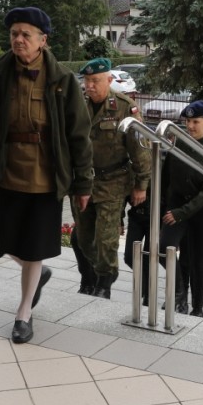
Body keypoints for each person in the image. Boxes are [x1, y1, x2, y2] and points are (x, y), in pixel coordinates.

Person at [0, 7, 93, 343]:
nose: (19, 40)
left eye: (26, 34)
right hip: (9, 171)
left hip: (45, 176)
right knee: (8, 243)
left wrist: (83, 183)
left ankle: (24, 313)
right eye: (14, 34)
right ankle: (37, 273)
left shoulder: (62, 80)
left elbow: (79, 136)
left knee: (34, 247)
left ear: (43, 40)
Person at [74, 58, 151, 298]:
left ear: (109, 80)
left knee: (106, 238)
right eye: (87, 80)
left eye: (95, 80)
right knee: (84, 238)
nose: (90, 85)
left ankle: (104, 283)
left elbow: (141, 150)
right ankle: (94, 276)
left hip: (113, 181)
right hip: (82, 182)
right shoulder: (77, 105)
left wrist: (141, 185)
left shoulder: (125, 108)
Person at [161, 100, 203, 317]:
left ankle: (197, 308)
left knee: (199, 261)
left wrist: (181, 213)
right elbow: (166, 178)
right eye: (187, 121)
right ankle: (180, 294)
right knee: (165, 248)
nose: (190, 126)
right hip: (177, 205)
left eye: (195, 122)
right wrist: (164, 207)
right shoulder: (178, 144)